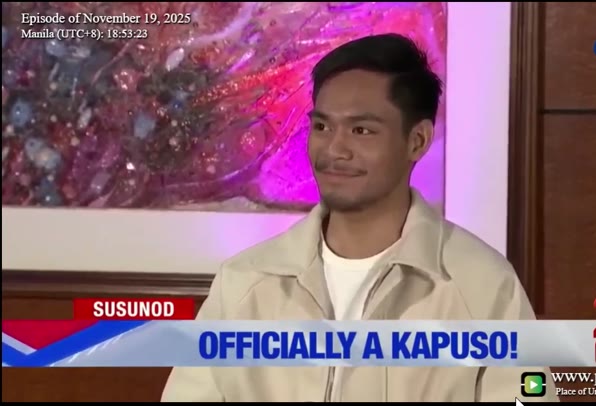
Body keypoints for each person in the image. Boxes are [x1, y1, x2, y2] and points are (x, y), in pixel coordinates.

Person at [161, 33, 558, 402]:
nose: (334, 149)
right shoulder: (245, 284)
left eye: (361, 130)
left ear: (417, 140)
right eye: (322, 126)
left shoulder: (482, 287)